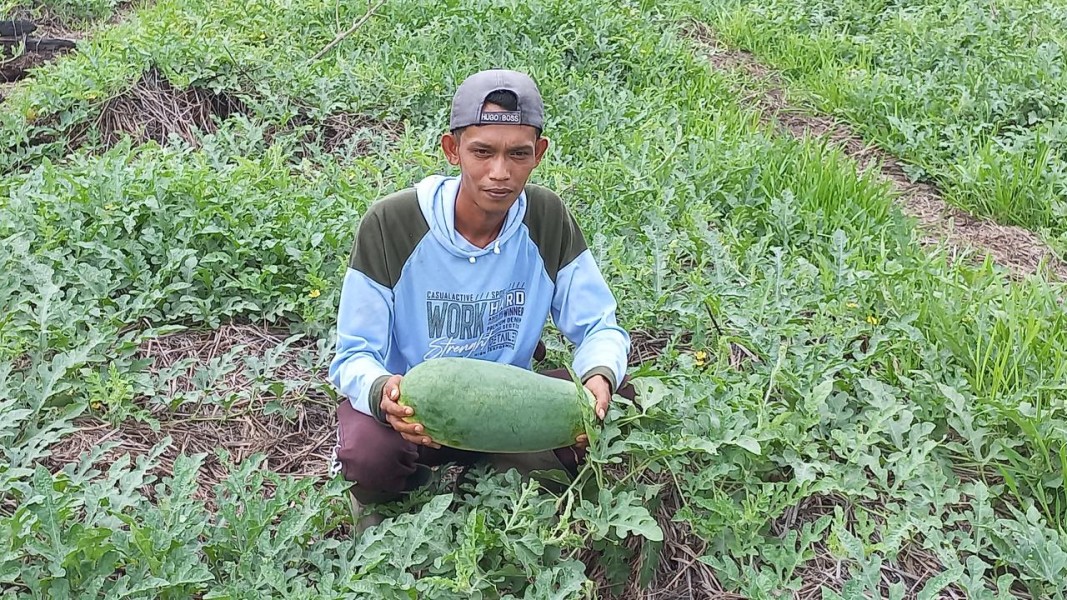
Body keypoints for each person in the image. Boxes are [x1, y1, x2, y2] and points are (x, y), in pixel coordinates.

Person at [327, 68, 633, 521]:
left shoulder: (546, 218)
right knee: (367, 455)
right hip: (413, 417)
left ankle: (495, 468)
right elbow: (353, 353)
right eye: (482, 152)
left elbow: (599, 326)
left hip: (506, 415)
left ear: (539, 154)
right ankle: (396, 500)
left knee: (621, 398)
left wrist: (598, 380)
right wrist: (383, 394)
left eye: (518, 154)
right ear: (453, 150)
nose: (500, 173)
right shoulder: (393, 223)